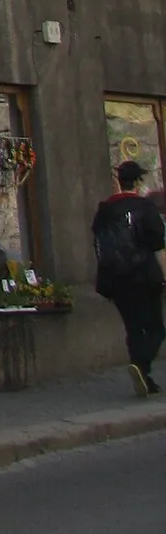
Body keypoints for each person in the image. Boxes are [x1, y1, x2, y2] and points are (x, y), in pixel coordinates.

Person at [91, 160, 166, 397]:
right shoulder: (144, 208)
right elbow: (157, 243)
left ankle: (144, 379)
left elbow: (97, 242)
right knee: (155, 329)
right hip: (143, 274)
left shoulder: (104, 210)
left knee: (133, 328)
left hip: (115, 278)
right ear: (138, 181)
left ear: (118, 182)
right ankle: (141, 365)